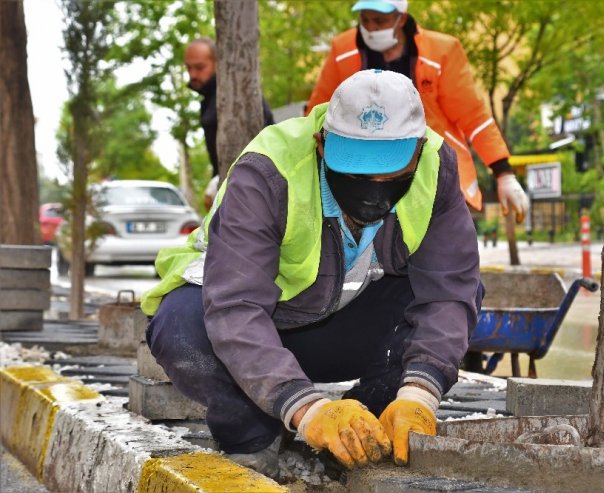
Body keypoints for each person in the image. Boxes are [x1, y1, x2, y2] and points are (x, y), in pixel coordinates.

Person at [141, 69, 482, 477]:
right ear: (322, 145)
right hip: (255, 334)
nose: (373, 188)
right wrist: (306, 408)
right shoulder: (269, 170)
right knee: (181, 329)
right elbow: (236, 307)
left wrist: (420, 393)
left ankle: (364, 433)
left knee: (457, 296)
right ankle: (254, 437)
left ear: (418, 148)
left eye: (389, 173)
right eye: (355, 171)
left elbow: (449, 291)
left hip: (342, 333)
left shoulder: (436, 168)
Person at [305, 0, 529, 221]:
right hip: (365, 169)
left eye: (380, 21)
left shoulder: (442, 53)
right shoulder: (342, 51)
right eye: (365, 20)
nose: (371, 28)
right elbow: (319, 112)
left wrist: (503, 173)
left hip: (434, 162)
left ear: (401, 18)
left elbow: (473, 116)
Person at [184, 37, 275, 208]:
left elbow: (256, 145)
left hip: (249, 194)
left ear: (219, 63)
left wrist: (220, 180)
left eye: (200, 67)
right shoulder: (211, 99)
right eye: (189, 68)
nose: (193, 75)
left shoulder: (234, 96)